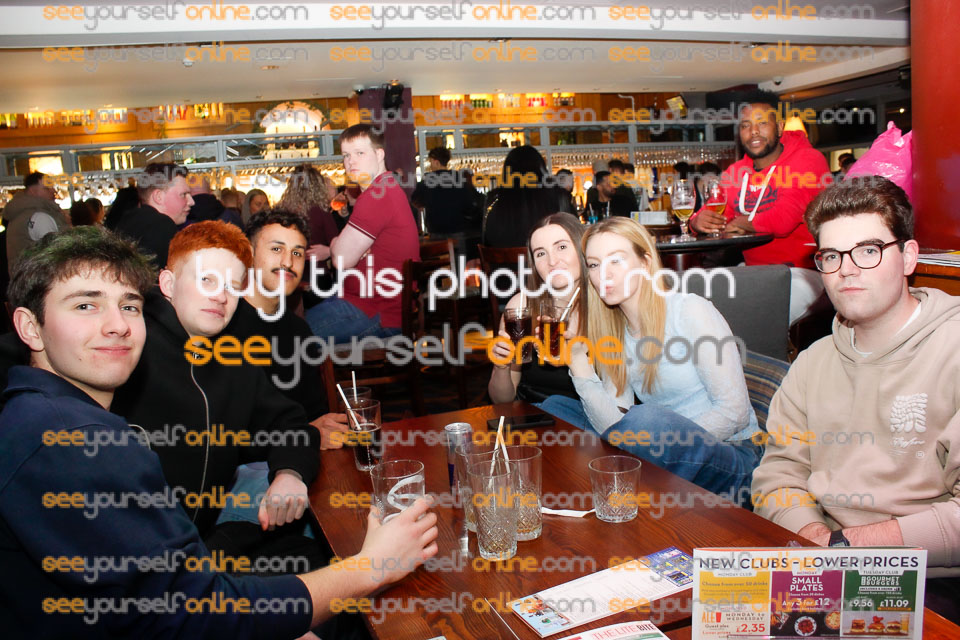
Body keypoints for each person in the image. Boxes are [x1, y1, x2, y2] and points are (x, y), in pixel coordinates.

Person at [0, 226, 439, 637]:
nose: (117, 325)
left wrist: (289, 473)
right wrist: (371, 569)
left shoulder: (223, 360)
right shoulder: (66, 437)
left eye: (128, 305)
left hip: (191, 558)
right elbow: (192, 612)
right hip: (172, 598)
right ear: (30, 327)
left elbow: (288, 423)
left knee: (314, 560)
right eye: (85, 305)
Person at [751, 176, 960, 575]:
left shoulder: (952, 348)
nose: (846, 270)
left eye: (868, 251)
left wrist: (849, 545)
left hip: (930, 576)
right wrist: (814, 536)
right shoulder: (812, 363)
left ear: (909, 257)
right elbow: (778, 477)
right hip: (821, 559)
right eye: (831, 256)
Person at [110, 221, 321, 562]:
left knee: (323, 530)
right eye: (207, 280)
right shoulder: (128, 345)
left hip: (201, 538)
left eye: (232, 287)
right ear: (168, 283)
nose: (221, 296)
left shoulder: (233, 360)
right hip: (134, 555)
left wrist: (290, 474)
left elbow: (290, 423)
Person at [567, 216, 762, 501]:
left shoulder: (689, 311)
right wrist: (578, 362)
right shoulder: (614, 332)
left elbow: (735, 412)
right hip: (668, 455)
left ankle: (621, 486)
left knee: (646, 420)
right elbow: (613, 423)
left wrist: (662, 441)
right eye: (594, 265)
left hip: (734, 455)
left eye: (616, 260)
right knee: (557, 408)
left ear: (645, 262)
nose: (603, 274)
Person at [690, 92, 830, 325]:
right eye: (746, 125)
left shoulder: (808, 160)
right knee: (702, 308)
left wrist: (745, 223)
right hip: (754, 272)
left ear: (780, 127)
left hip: (803, 272)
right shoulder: (736, 172)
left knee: (756, 319)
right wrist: (698, 220)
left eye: (762, 123)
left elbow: (784, 219)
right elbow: (714, 211)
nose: (753, 131)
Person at [305, 124, 420, 344]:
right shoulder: (386, 189)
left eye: (359, 153)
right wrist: (344, 246)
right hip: (373, 305)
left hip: (375, 312)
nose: (351, 162)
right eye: (346, 155)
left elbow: (341, 260)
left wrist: (337, 244)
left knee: (287, 336)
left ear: (379, 154)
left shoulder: (377, 195)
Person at [488, 213, 588, 409]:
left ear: (582, 248)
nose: (552, 261)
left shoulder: (606, 305)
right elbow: (501, 401)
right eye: (541, 253)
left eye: (561, 247)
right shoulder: (520, 308)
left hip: (591, 418)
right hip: (535, 414)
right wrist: (501, 367)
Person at [482, 145, 573, 248]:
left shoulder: (493, 199)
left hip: (502, 259)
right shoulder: (558, 196)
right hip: (548, 257)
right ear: (541, 169)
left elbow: (488, 239)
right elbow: (574, 233)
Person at [113, 162, 194, 269]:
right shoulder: (162, 226)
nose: (191, 202)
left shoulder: (126, 222)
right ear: (158, 197)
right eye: (183, 195)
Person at [410, 146, 483, 243]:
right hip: (457, 230)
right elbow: (469, 204)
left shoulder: (428, 180)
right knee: (458, 252)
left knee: (439, 252)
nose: (430, 165)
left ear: (436, 162)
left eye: (431, 162)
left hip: (436, 230)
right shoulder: (459, 179)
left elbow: (415, 201)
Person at [4, 171, 69, 270]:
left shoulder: (22, 212)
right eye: (47, 188)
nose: (53, 191)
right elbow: (58, 252)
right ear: (33, 191)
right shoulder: (39, 216)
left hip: (27, 275)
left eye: (53, 187)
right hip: (42, 276)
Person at [276, 164, 339, 261]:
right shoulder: (320, 211)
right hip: (316, 265)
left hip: (289, 264)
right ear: (318, 186)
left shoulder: (282, 212)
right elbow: (337, 243)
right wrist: (328, 251)